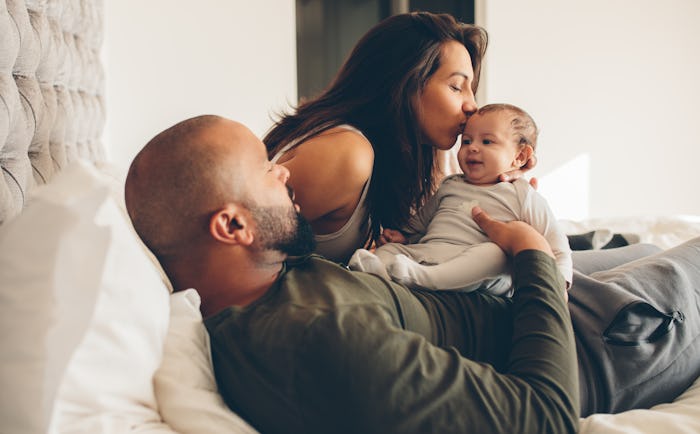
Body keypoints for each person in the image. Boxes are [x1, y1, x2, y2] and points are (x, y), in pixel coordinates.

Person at [125, 115, 700, 434]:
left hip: (513, 297)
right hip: (592, 345)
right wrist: (530, 255)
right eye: (266, 170)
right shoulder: (318, 342)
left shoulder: (267, 277)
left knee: (652, 243)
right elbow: (544, 417)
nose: (285, 174)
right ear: (232, 226)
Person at [263, 11, 538, 264]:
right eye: (456, 86)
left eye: (471, 90)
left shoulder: (404, 156)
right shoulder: (346, 153)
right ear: (404, 83)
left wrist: (498, 193)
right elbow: (238, 246)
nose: (472, 106)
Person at [349, 104, 572, 294]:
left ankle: (424, 279)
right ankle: (378, 271)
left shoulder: (522, 194)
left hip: (477, 270)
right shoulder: (450, 184)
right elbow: (420, 223)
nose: (472, 148)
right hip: (430, 254)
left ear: (520, 156)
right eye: (466, 141)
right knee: (391, 252)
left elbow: (555, 241)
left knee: (496, 254)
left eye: (487, 142)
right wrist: (401, 236)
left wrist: (559, 284)